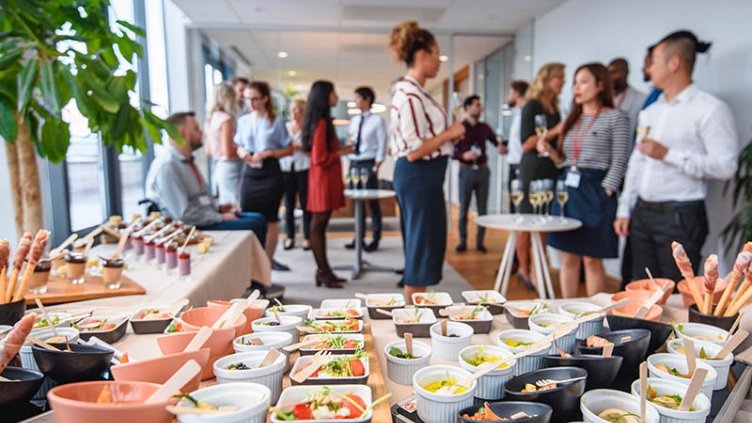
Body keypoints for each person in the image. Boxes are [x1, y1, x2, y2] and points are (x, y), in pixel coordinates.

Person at [615, 30, 739, 281]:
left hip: (680, 218)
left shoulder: (710, 109)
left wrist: (669, 154)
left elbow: (726, 166)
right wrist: (624, 208)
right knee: (643, 289)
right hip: (642, 214)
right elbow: (638, 161)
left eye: (654, 61)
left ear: (674, 63)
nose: (649, 67)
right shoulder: (652, 111)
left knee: (677, 293)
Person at [537, 63, 631, 297]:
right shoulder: (573, 119)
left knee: (592, 259)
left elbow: (621, 160)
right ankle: (567, 311)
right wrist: (550, 151)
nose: (577, 87)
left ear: (600, 85)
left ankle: (593, 315)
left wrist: (606, 191)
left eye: (584, 81)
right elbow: (565, 162)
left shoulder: (616, 118)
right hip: (569, 190)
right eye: (575, 82)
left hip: (595, 190)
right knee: (568, 256)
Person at [388, 21, 465, 301]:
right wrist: (450, 132)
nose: (439, 62)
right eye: (436, 55)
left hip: (424, 176)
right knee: (421, 250)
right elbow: (413, 150)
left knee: (423, 246)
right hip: (418, 174)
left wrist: (446, 137)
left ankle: (415, 315)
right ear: (422, 55)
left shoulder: (415, 92)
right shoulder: (408, 94)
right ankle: (412, 319)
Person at [145, 111, 267, 244]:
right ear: (182, 133)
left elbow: (200, 199)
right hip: (189, 227)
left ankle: (257, 263)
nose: (201, 132)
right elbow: (184, 215)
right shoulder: (168, 166)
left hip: (204, 216)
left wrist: (218, 208)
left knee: (258, 218)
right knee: (252, 225)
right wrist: (220, 217)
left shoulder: (188, 161)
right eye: (196, 128)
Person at [516, 62, 566, 291]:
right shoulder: (532, 106)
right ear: (547, 79)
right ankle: (524, 269)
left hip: (550, 169)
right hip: (533, 169)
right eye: (560, 77)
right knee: (527, 221)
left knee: (544, 221)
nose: (563, 82)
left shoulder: (555, 107)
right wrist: (556, 131)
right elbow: (526, 143)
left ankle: (538, 267)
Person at [235, 81, 294, 271]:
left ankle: (266, 263)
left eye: (255, 99)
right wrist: (242, 152)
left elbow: (289, 148)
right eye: (247, 99)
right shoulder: (243, 121)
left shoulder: (275, 121)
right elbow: (237, 145)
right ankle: (251, 262)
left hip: (270, 171)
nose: (251, 103)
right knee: (247, 215)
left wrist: (270, 153)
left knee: (270, 218)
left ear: (265, 99)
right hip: (250, 171)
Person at [302, 80, 352, 289]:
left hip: (323, 178)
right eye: (333, 93)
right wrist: (342, 152)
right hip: (322, 179)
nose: (336, 97)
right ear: (325, 97)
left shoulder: (322, 122)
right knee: (318, 225)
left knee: (319, 225)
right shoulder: (322, 124)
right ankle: (323, 271)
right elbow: (319, 158)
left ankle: (324, 270)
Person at [453, 95, 504, 253]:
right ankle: (462, 241)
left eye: (480, 106)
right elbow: (451, 152)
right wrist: (463, 156)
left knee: (483, 210)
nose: (480, 108)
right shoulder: (459, 128)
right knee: (464, 209)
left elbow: (497, 142)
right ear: (467, 108)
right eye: (476, 105)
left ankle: (480, 242)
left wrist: (501, 147)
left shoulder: (484, 128)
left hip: (482, 171)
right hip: (466, 171)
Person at [345, 86, 387, 252]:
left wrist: (377, 165)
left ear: (367, 99)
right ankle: (358, 237)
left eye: (357, 98)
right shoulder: (354, 120)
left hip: (369, 163)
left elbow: (382, 143)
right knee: (357, 202)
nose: (355, 102)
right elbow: (351, 140)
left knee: (372, 202)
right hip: (354, 163)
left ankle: (376, 238)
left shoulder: (378, 120)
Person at [280, 98, 312, 251]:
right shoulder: (284, 127)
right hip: (286, 169)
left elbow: (313, 152)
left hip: (303, 168)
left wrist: (298, 147)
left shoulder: (308, 129)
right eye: (293, 109)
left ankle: (307, 237)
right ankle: (290, 236)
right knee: (289, 205)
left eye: (299, 109)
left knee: (306, 204)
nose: (295, 112)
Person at [205, 82, 243, 205]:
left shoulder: (212, 118)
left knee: (227, 203)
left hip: (219, 166)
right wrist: (243, 151)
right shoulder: (226, 120)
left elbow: (209, 150)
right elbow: (228, 152)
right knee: (236, 205)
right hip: (231, 168)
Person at [608, 58, 647, 138]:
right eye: (608, 73)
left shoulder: (642, 99)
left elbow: (642, 131)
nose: (610, 77)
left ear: (626, 73)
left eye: (614, 72)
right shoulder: (600, 99)